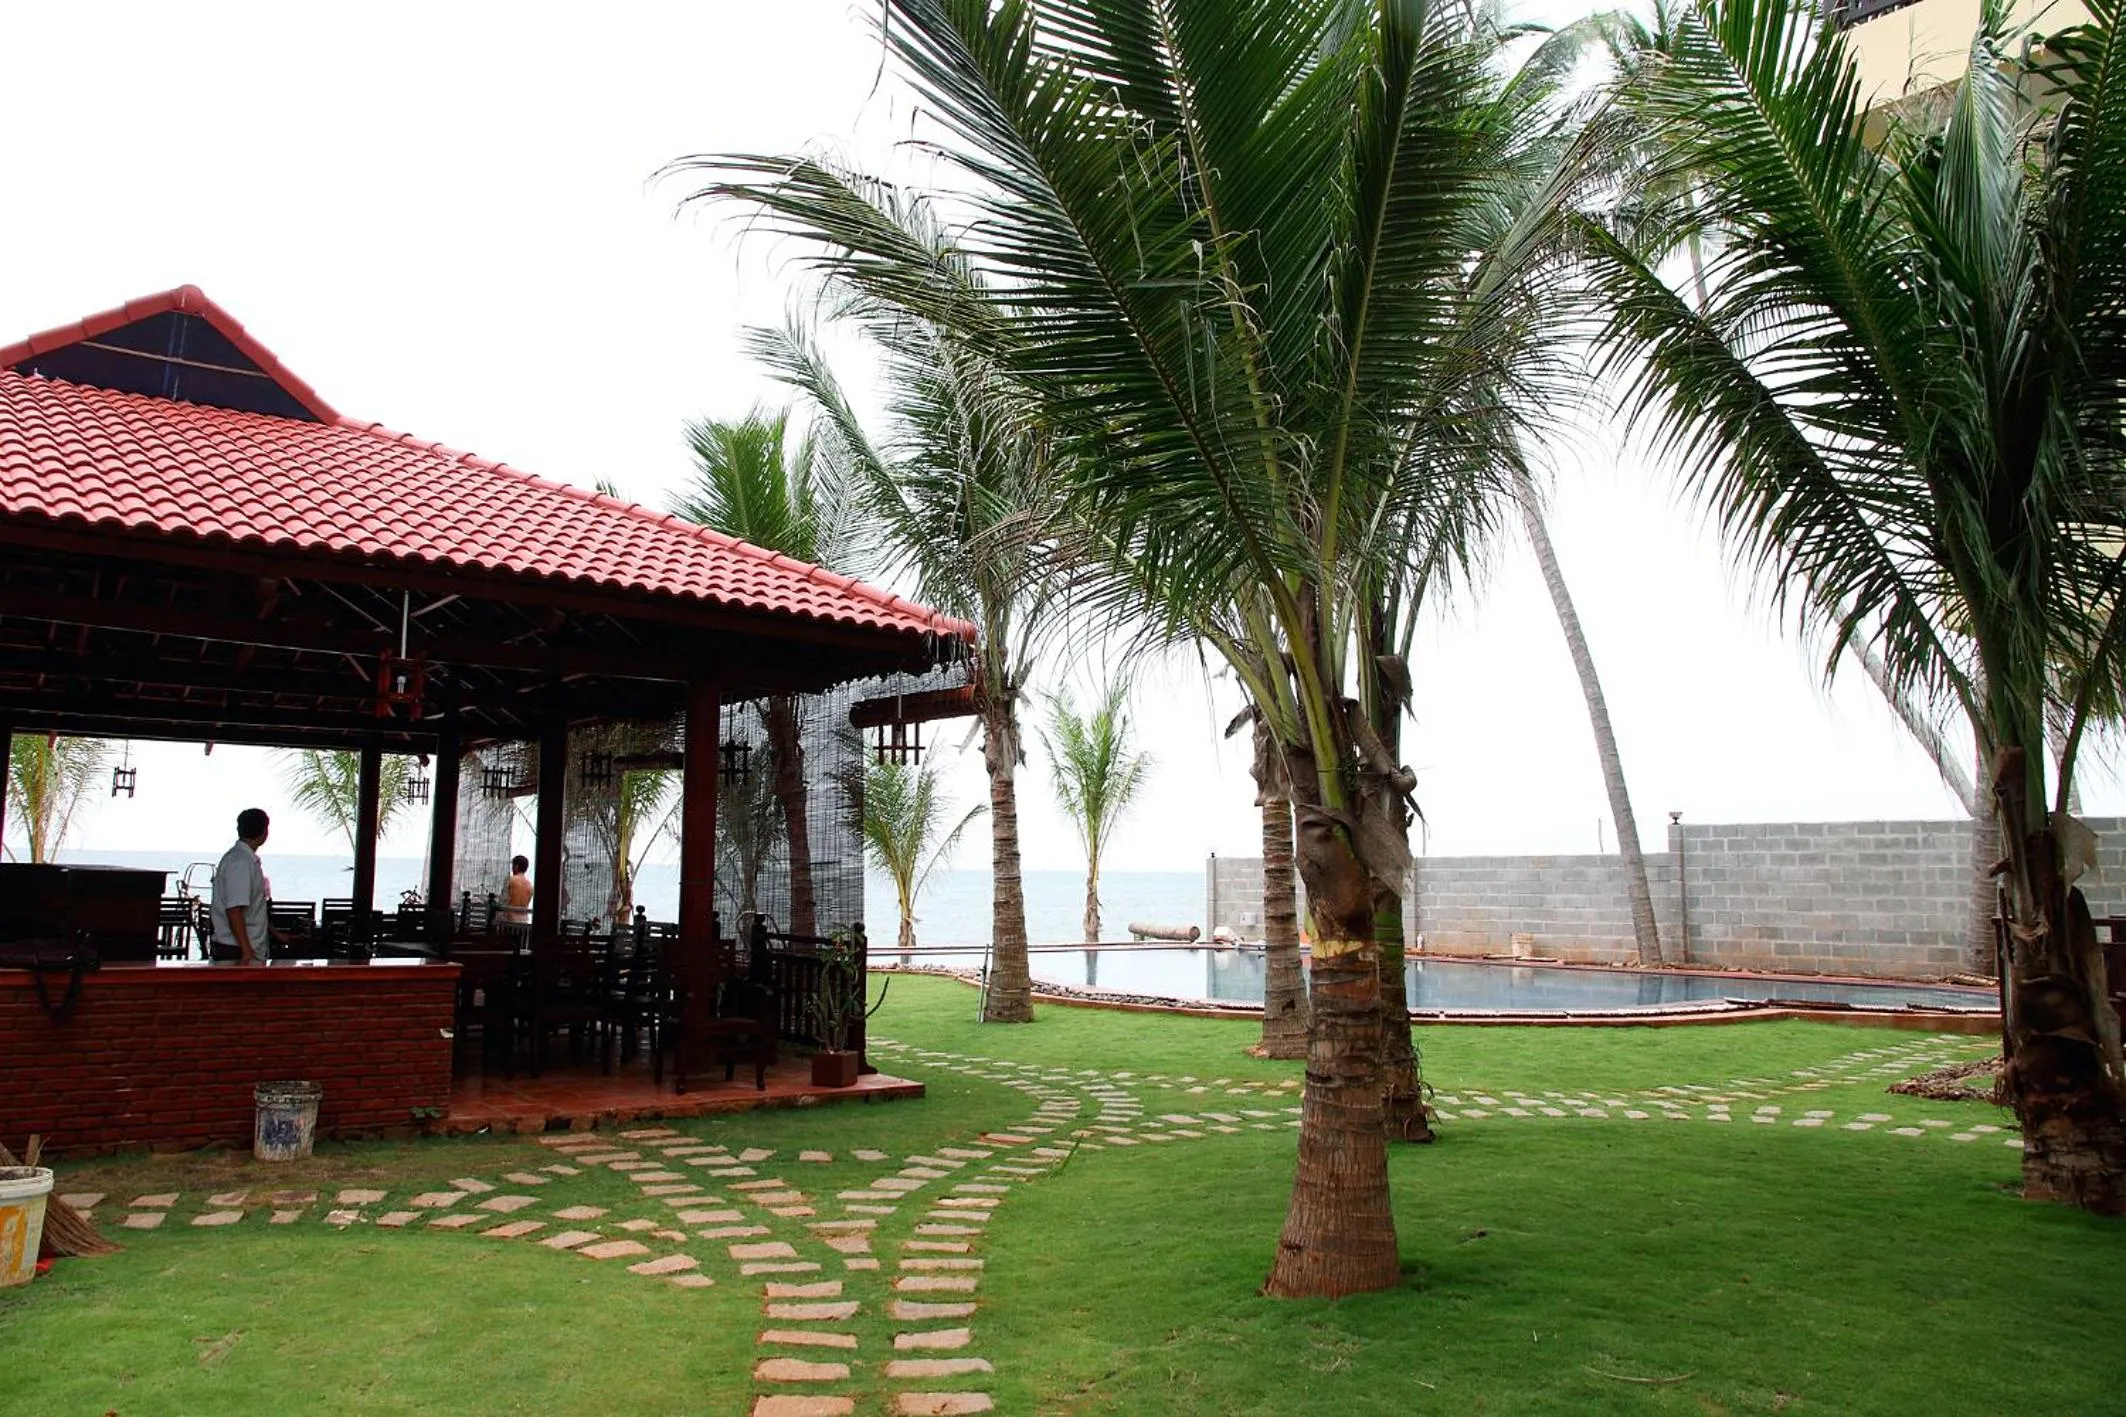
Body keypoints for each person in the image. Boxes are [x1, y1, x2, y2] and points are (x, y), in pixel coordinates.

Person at [210, 808, 279, 965]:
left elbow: (254, 910)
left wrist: (275, 934)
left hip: (242, 947)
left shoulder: (243, 859)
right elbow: (234, 909)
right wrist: (246, 951)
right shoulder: (240, 862)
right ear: (264, 832)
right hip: (237, 950)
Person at [501, 855, 533, 924]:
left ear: (516, 866)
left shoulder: (510, 880)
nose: (512, 868)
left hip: (509, 921)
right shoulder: (530, 885)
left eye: (512, 865)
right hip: (524, 922)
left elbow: (503, 901)